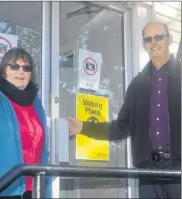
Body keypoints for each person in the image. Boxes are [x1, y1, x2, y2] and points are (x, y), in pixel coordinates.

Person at [67, 21, 181, 199]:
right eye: (148, 39)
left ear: (170, 39)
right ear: (144, 45)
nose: (153, 42)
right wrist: (84, 127)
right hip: (148, 172)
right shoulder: (138, 84)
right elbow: (121, 127)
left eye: (158, 37)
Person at [0, 48, 51, 199]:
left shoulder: (37, 105)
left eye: (26, 68)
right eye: (14, 66)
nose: (21, 71)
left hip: (34, 190)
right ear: (3, 71)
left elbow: (43, 152)